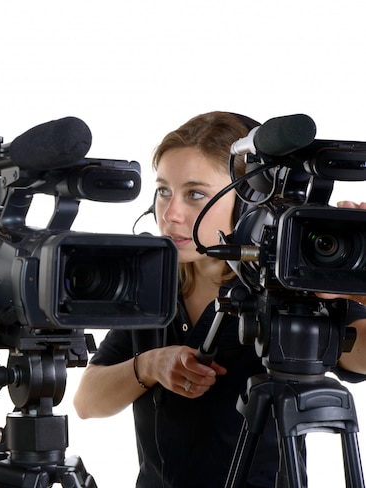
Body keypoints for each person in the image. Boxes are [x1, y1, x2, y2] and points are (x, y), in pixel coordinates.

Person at [73, 111, 366, 487]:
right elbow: (87, 402)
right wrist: (149, 366)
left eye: (195, 194)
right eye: (164, 190)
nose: (171, 214)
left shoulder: (294, 285)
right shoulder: (148, 281)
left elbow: (358, 354)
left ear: (250, 204)